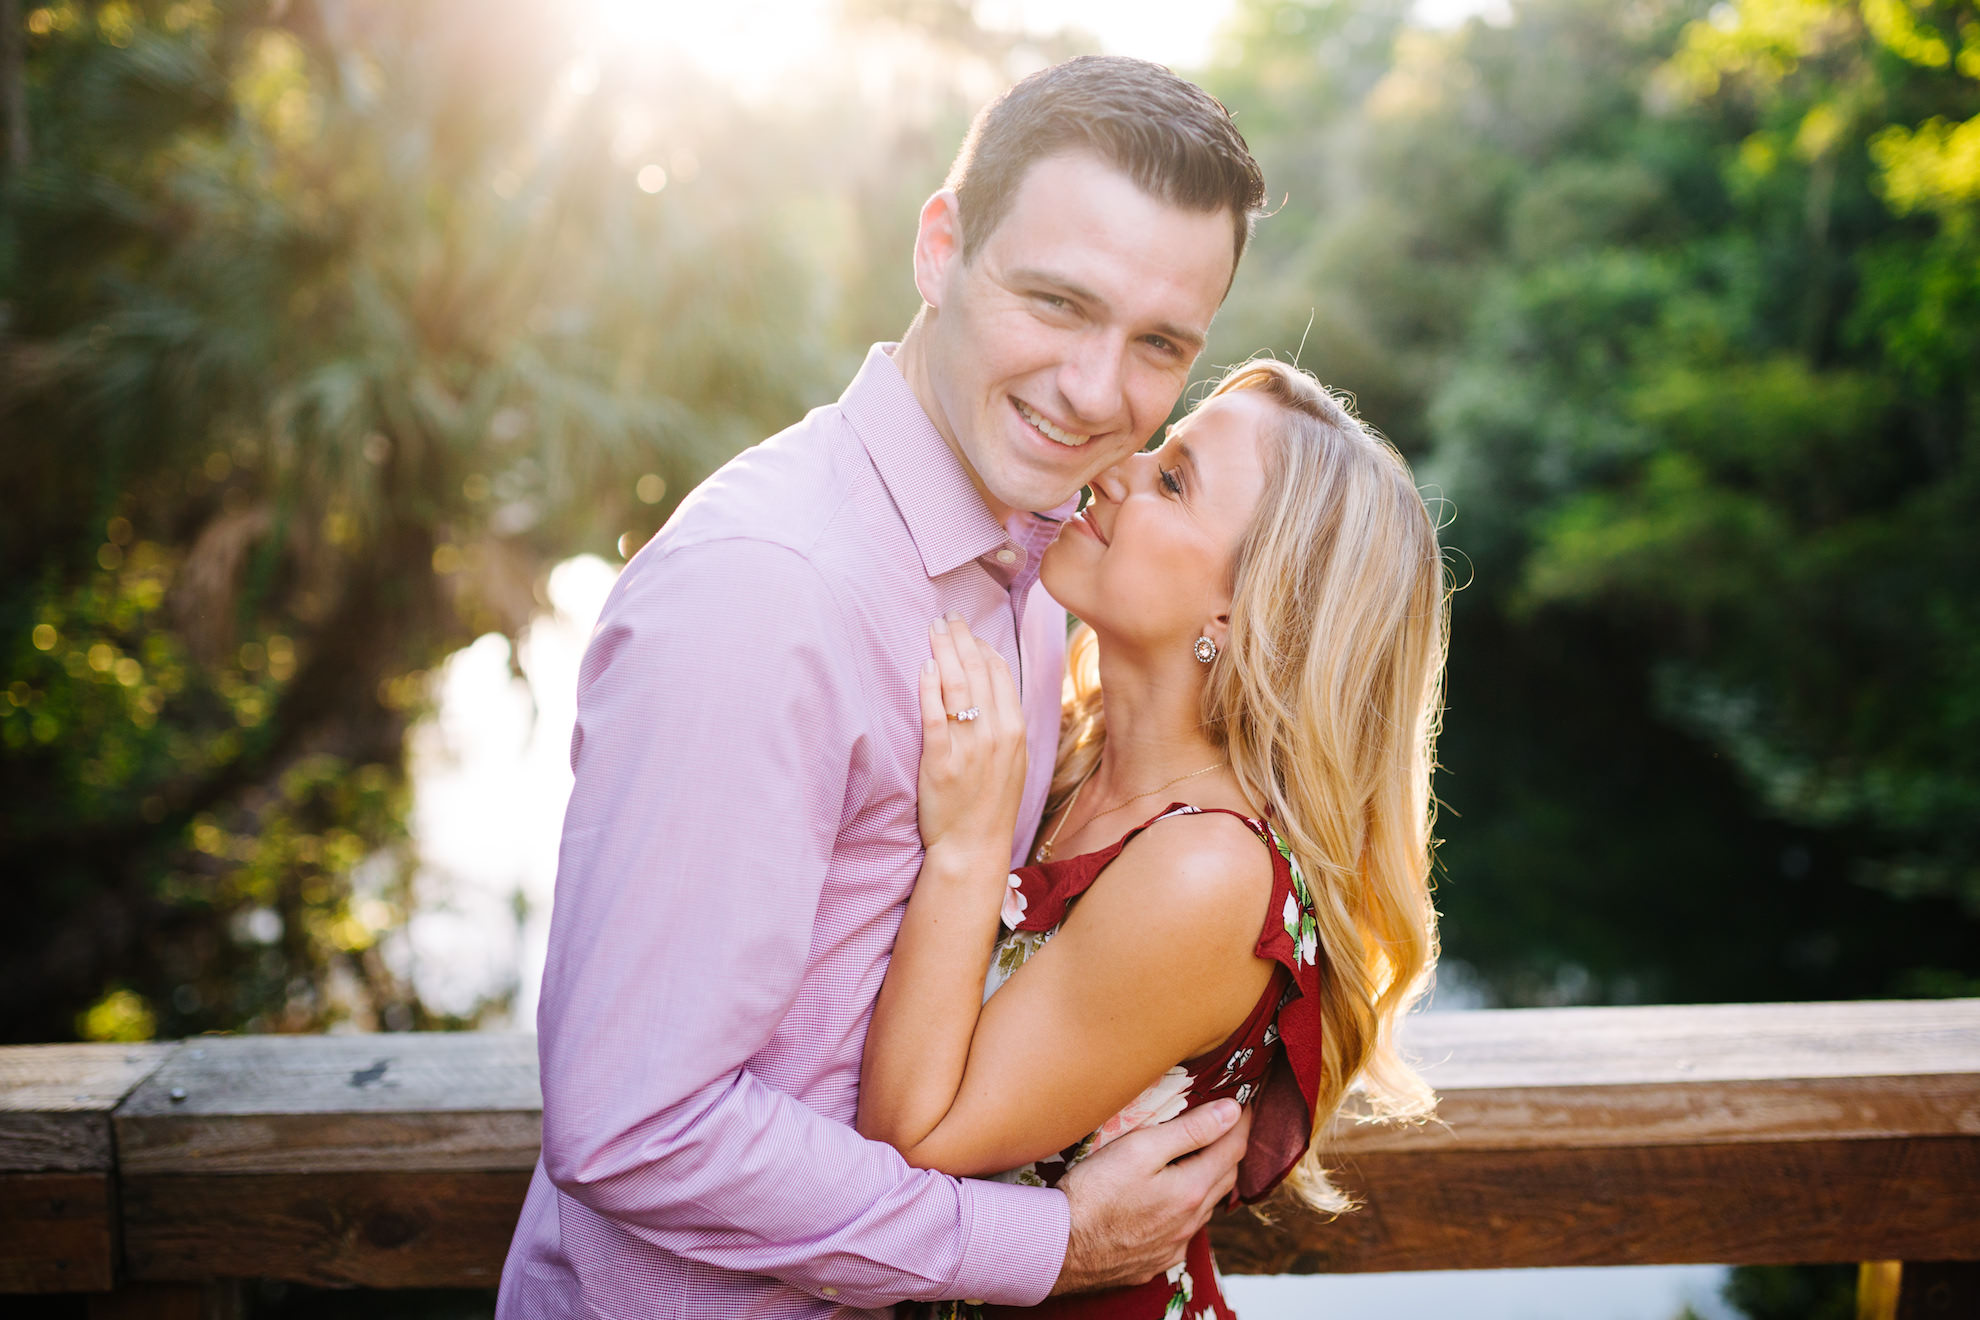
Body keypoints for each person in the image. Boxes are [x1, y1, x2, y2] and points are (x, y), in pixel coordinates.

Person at [497, 57, 1268, 1318]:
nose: (1095, 391)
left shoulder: (1029, 564)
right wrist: (1041, 1245)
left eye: (1159, 345)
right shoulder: (765, 595)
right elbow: (632, 1121)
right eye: (1058, 302)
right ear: (939, 247)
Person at [858, 357, 1451, 1318]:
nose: (1117, 467)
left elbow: (910, 1141)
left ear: (1244, 612)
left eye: (1172, 479)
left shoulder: (1206, 873)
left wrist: (966, 850)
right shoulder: (1071, 749)